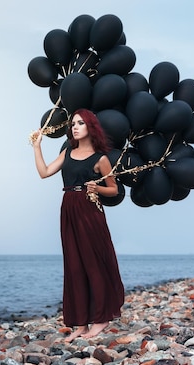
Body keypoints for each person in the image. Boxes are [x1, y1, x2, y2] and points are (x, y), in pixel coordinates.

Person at [32, 108, 125, 341]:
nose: (75, 127)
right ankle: (81, 324)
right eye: (73, 123)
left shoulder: (100, 158)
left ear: (90, 127)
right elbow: (44, 173)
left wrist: (97, 188)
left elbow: (113, 189)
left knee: (93, 264)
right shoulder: (68, 151)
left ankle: (101, 319)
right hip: (69, 208)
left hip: (90, 211)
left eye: (80, 123)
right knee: (74, 266)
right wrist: (37, 147)